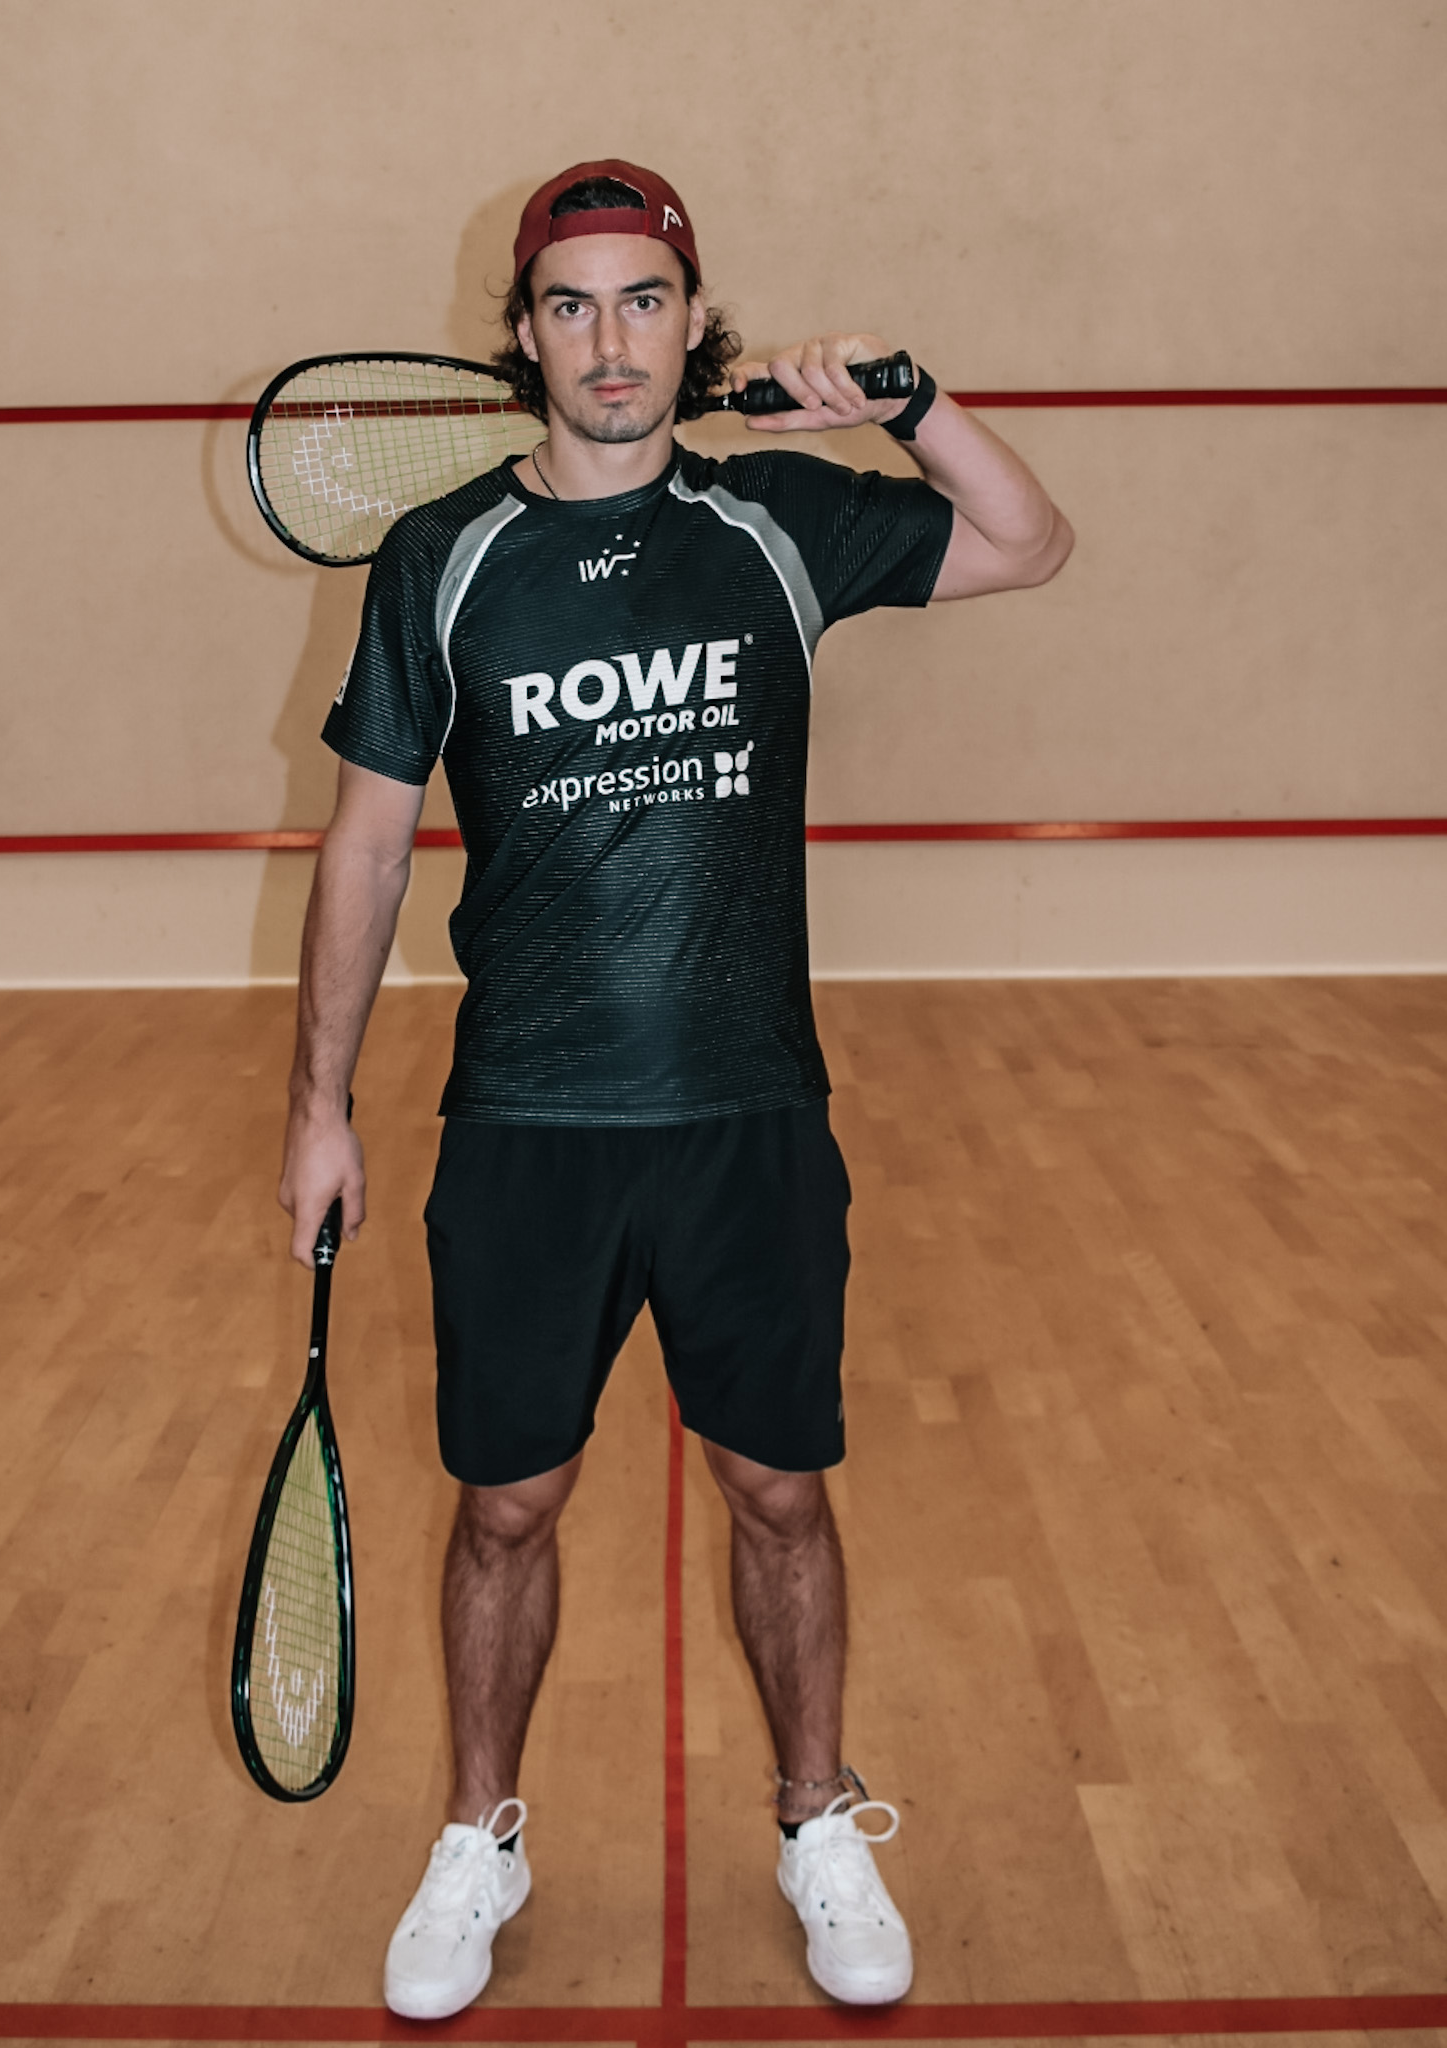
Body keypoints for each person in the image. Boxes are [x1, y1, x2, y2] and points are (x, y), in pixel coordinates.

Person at [277, 159, 1073, 2020]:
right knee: (503, 1509)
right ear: (524, 336)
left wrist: (904, 402)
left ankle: (816, 1818)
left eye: (643, 299)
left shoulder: (777, 521)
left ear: (692, 323)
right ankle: (478, 1834)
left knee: (779, 1492)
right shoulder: (442, 557)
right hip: (525, 1124)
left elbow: (1025, 541)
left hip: (746, 1117)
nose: (609, 338)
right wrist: (319, 1105)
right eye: (570, 304)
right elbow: (367, 844)